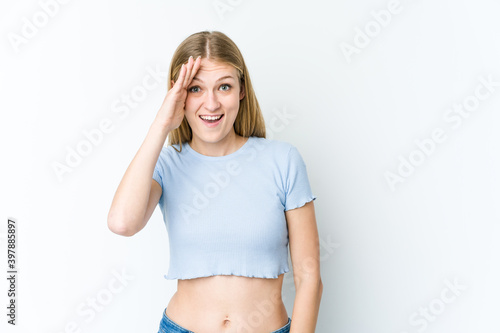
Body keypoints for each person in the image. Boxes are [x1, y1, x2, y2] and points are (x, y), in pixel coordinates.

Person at [107, 30, 323, 333]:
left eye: (224, 86)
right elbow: (121, 223)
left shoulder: (282, 160)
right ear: (177, 93)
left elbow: (309, 277)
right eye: (195, 89)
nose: (211, 104)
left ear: (241, 91)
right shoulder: (167, 163)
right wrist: (162, 123)